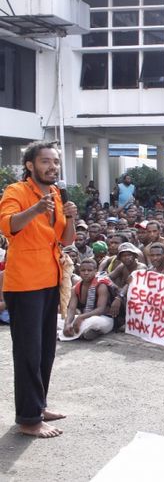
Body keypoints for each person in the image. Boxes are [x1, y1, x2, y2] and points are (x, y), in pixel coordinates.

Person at [0, 141, 77, 438]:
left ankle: (39, 405)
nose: (52, 167)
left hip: (50, 279)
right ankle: (28, 419)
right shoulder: (15, 192)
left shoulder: (56, 194)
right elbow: (7, 226)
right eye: (46, 161)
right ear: (30, 165)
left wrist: (70, 217)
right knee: (28, 352)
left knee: (46, 350)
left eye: (55, 162)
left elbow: (66, 239)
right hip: (25, 283)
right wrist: (35, 208)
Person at [62, 258, 114, 340]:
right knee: (58, 319)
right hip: (83, 318)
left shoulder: (101, 285)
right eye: (83, 270)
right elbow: (71, 309)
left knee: (94, 321)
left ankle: (83, 332)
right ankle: (81, 332)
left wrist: (81, 317)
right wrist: (67, 324)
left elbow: (101, 309)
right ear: (79, 271)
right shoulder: (75, 288)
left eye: (89, 270)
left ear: (95, 271)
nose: (86, 273)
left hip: (102, 318)